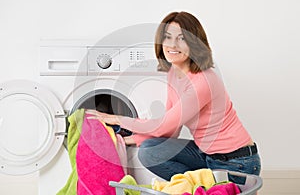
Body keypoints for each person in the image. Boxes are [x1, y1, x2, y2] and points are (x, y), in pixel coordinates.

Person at [86, 11, 261, 183]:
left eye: (182, 38)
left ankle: (200, 187)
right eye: (167, 37)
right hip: (206, 155)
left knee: (151, 151)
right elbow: (170, 131)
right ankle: (201, 186)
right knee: (149, 151)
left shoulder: (204, 81)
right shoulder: (173, 73)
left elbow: (162, 126)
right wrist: (123, 141)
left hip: (236, 162)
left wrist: (116, 119)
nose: (172, 45)